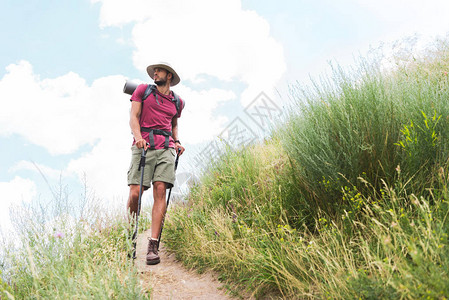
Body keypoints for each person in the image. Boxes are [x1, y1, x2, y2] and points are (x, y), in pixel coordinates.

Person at [126, 62, 185, 265]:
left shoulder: (178, 102)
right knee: (135, 192)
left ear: (169, 76)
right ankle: (130, 236)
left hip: (166, 148)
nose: (155, 73)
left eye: (158, 71)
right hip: (143, 146)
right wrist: (138, 137)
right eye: (154, 71)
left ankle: (153, 245)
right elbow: (133, 117)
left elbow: (174, 123)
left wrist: (176, 142)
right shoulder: (143, 90)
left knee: (160, 190)